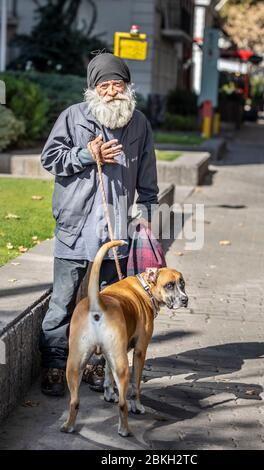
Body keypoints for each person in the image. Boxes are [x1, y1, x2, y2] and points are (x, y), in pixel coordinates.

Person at [39, 52, 159, 396]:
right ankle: (54, 364)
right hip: (74, 231)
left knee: (108, 306)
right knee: (62, 304)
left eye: (117, 84)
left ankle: (95, 365)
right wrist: (83, 154)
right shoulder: (72, 118)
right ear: (93, 89)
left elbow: (148, 181)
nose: (111, 92)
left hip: (115, 237)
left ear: (127, 87)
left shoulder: (139, 124)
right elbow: (50, 158)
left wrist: (146, 224)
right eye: (104, 85)